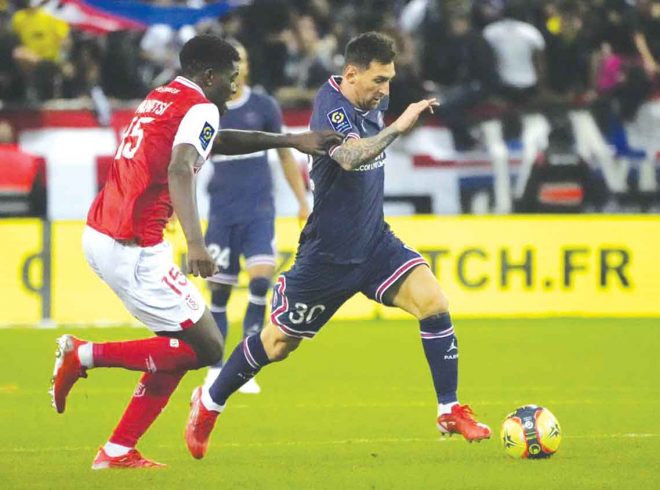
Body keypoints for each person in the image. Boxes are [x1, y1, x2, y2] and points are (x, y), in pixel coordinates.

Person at [184, 31, 491, 460]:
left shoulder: (373, 100)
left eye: (390, 81)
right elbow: (348, 158)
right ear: (351, 74)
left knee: (434, 302)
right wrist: (401, 126)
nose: (385, 91)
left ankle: (449, 408)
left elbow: (374, 129)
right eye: (379, 81)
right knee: (277, 344)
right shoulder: (330, 107)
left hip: (375, 244)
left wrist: (393, 112)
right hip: (327, 256)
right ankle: (210, 401)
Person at [49, 35, 341, 470]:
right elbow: (181, 166)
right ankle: (84, 354)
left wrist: (289, 140)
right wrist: (196, 241)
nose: (233, 88)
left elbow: (215, 142)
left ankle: (117, 451)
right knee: (206, 346)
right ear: (209, 75)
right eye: (230, 78)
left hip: (103, 232)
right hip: (135, 246)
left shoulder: (164, 96)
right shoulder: (201, 106)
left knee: (180, 345)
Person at [202, 41, 311, 395]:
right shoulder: (207, 110)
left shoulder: (263, 105)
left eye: (243, 59)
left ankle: (243, 366)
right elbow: (185, 162)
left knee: (262, 279)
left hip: (258, 209)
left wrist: (302, 199)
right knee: (219, 290)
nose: (239, 67)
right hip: (221, 210)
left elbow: (284, 154)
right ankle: (216, 367)